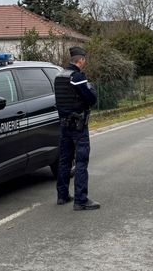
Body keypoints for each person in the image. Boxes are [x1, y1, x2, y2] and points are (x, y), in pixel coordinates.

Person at [54, 46, 100, 210]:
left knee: (65, 161)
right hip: (78, 126)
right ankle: (80, 200)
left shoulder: (59, 76)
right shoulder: (77, 77)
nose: (85, 62)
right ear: (80, 60)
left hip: (64, 125)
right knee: (81, 161)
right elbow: (91, 99)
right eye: (84, 60)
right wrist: (91, 89)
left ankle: (62, 195)